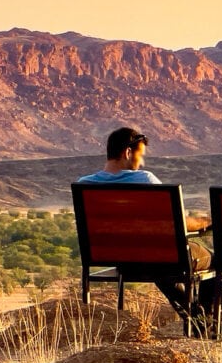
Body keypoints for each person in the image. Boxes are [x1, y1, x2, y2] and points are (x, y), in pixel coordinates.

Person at [78, 127, 215, 334]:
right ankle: (203, 326)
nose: (141, 163)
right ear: (127, 153)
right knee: (211, 257)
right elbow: (178, 222)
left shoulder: (84, 185)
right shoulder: (144, 180)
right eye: (140, 155)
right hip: (157, 258)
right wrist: (206, 222)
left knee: (160, 266)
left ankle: (195, 318)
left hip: (120, 260)